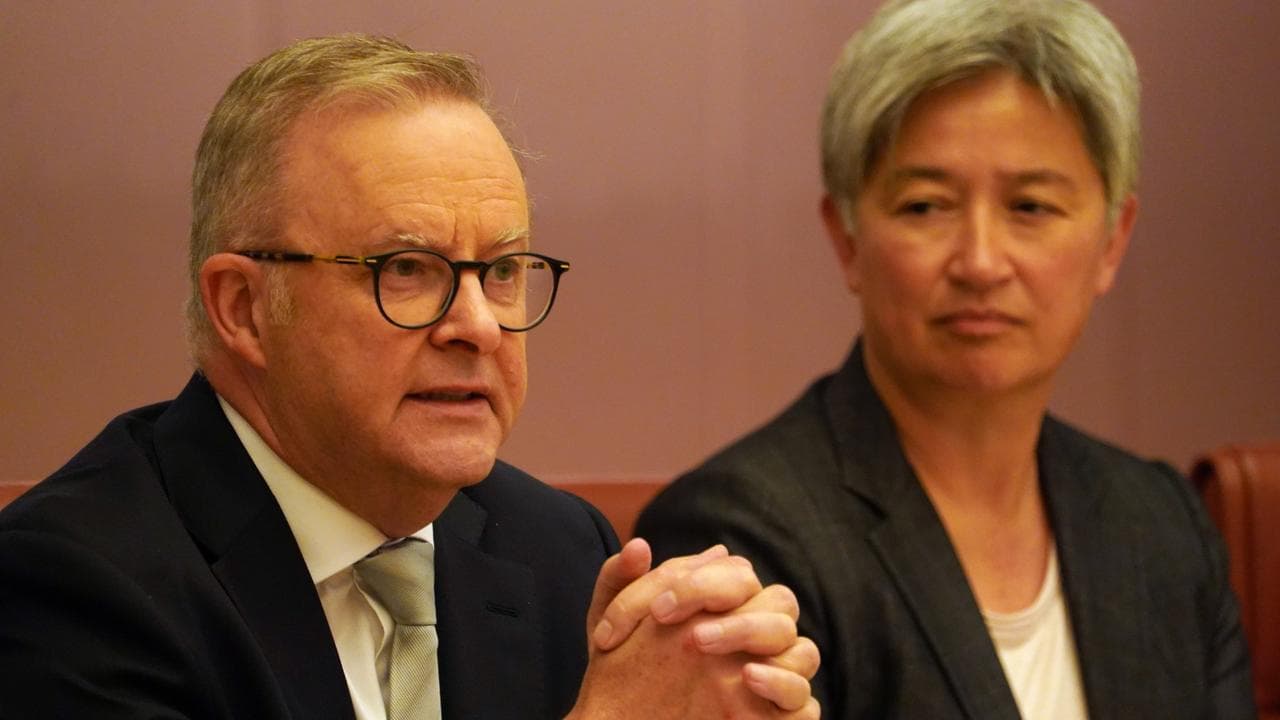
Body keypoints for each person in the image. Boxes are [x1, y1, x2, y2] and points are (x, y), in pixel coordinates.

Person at [0, 35, 819, 719]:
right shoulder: (74, 588)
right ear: (245, 307)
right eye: (407, 269)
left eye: (501, 270)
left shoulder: (558, 551)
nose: (478, 326)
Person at [636, 1, 1255, 718]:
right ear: (846, 240)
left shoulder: (1163, 525)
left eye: (1031, 207)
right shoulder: (738, 544)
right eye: (926, 206)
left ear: (1113, 240)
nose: (982, 262)